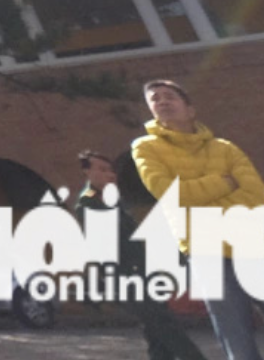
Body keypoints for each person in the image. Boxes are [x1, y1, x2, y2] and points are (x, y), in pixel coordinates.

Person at [130, 80, 264, 360]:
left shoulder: (225, 148)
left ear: (190, 109)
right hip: (205, 249)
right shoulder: (145, 147)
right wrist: (225, 182)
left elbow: (255, 194)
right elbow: (169, 192)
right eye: (155, 99)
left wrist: (200, 196)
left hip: (252, 243)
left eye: (169, 96)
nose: (161, 101)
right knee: (236, 334)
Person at [79, 150, 211, 360]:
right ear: (87, 172)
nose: (110, 175)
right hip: (125, 278)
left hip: (143, 274)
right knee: (166, 326)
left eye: (111, 170)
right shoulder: (89, 204)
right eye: (102, 170)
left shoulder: (112, 199)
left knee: (156, 331)